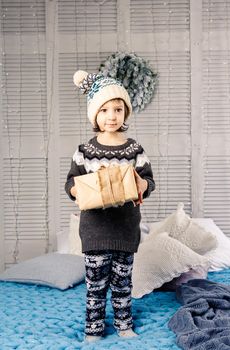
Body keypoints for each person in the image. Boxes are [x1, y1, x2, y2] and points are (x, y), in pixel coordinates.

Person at [65, 70, 155, 343]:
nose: (112, 116)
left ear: (126, 113)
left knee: (122, 283)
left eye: (118, 109)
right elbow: (71, 182)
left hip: (125, 231)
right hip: (94, 231)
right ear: (95, 115)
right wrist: (75, 189)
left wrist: (143, 185)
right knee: (95, 285)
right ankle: (93, 328)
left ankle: (124, 324)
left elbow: (149, 181)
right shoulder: (84, 151)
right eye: (104, 110)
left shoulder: (135, 150)